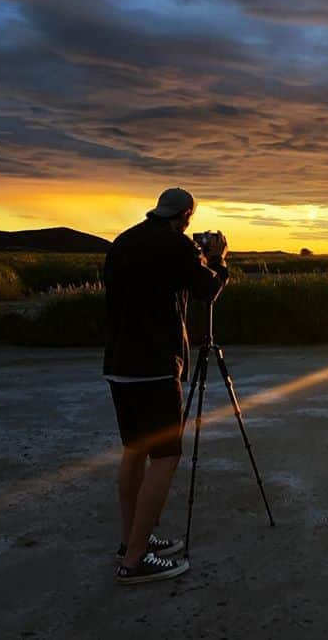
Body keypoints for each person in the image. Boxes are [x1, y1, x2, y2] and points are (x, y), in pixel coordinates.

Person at [103, 187, 228, 584]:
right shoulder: (176, 247)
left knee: (134, 451)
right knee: (166, 457)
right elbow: (208, 291)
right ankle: (136, 560)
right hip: (155, 368)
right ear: (186, 216)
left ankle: (132, 541)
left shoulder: (122, 242)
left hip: (119, 364)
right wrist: (217, 260)